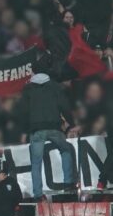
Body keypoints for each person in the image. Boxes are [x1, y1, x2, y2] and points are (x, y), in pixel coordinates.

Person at [19, 71, 75, 200]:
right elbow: (64, 106)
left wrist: (24, 131)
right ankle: (68, 183)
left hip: (36, 129)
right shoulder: (55, 86)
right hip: (54, 127)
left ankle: (38, 194)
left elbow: (23, 111)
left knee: (36, 162)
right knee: (66, 150)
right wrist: (71, 123)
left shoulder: (28, 89)